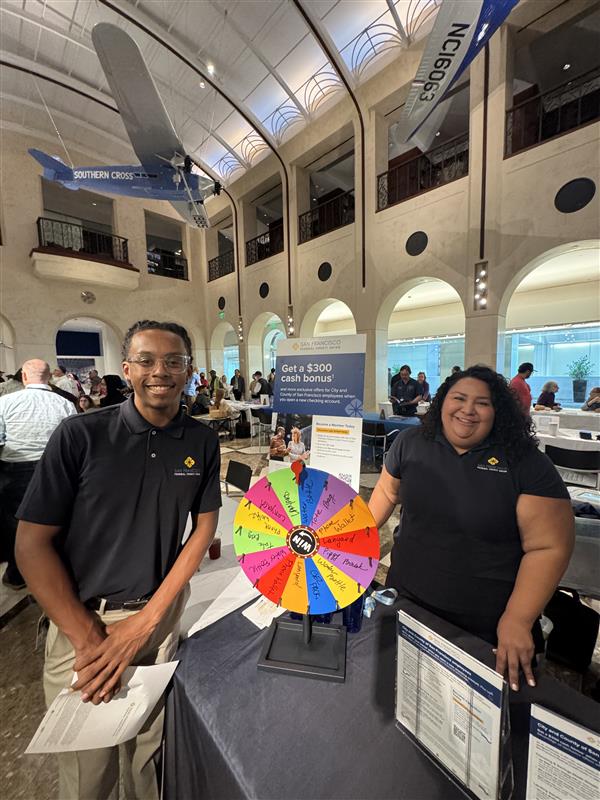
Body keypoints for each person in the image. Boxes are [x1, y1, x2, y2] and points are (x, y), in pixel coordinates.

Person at [15, 320, 221, 800]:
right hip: (86, 624)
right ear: (127, 369)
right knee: (89, 775)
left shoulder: (201, 441)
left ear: (189, 370)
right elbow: (30, 545)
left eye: (173, 361)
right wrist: (89, 638)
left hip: (158, 621)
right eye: (146, 360)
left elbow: (203, 530)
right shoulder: (81, 435)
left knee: (152, 761)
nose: (160, 371)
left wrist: (147, 623)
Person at [369, 365, 574, 691]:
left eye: (482, 403)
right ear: (442, 401)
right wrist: (352, 537)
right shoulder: (411, 442)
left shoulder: (525, 462)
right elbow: (386, 492)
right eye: (459, 398)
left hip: (485, 627)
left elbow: (549, 547)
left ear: (498, 410)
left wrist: (518, 619)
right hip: (407, 602)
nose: (468, 409)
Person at [0, 359, 75, 589]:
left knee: (16, 524)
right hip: (55, 468)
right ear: (49, 377)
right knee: (55, 520)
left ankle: (18, 573)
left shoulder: (6, 402)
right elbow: (73, 440)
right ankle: (56, 570)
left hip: (16, 469)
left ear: (24, 376)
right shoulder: (64, 403)